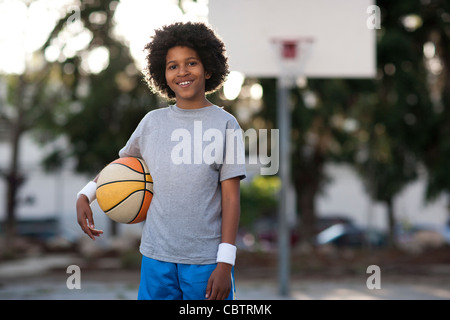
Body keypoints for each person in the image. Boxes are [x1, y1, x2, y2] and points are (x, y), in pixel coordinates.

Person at [75, 22, 246, 300]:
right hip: (156, 257)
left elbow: (230, 200)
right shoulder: (152, 122)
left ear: (209, 68)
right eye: (172, 66)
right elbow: (121, 168)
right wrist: (86, 193)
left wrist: (225, 262)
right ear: (162, 74)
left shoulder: (225, 124)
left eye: (191, 63)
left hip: (205, 261)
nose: (182, 72)